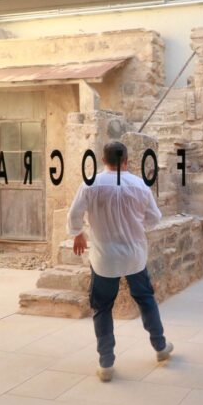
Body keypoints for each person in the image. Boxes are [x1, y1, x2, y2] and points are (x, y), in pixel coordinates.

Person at [67, 141, 173, 382]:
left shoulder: (90, 184)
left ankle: (106, 363)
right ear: (126, 161)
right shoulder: (140, 186)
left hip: (105, 259)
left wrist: (77, 233)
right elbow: (154, 218)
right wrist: (135, 226)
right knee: (146, 300)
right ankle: (160, 347)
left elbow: (74, 215)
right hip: (134, 256)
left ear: (103, 160)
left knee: (102, 307)